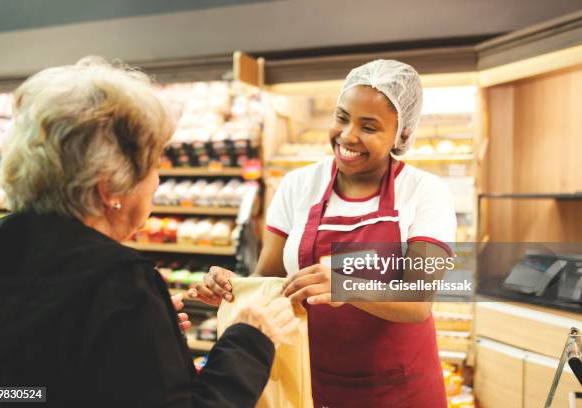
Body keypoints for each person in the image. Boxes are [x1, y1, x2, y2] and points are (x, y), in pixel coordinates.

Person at [0, 57, 298, 407]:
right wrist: (247, 342)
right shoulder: (119, 283)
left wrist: (147, 336)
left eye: (367, 125)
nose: (157, 183)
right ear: (109, 186)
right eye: (154, 165)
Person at [192, 60, 456, 407]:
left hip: (397, 389)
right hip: (307, 381)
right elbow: (269, 280)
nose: (347, 136)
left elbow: (418, 300)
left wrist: (344, 285)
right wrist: (235, 287)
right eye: (342, 117)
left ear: (402, 133)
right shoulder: (298, 185)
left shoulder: (423, 191)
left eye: (369, 127)